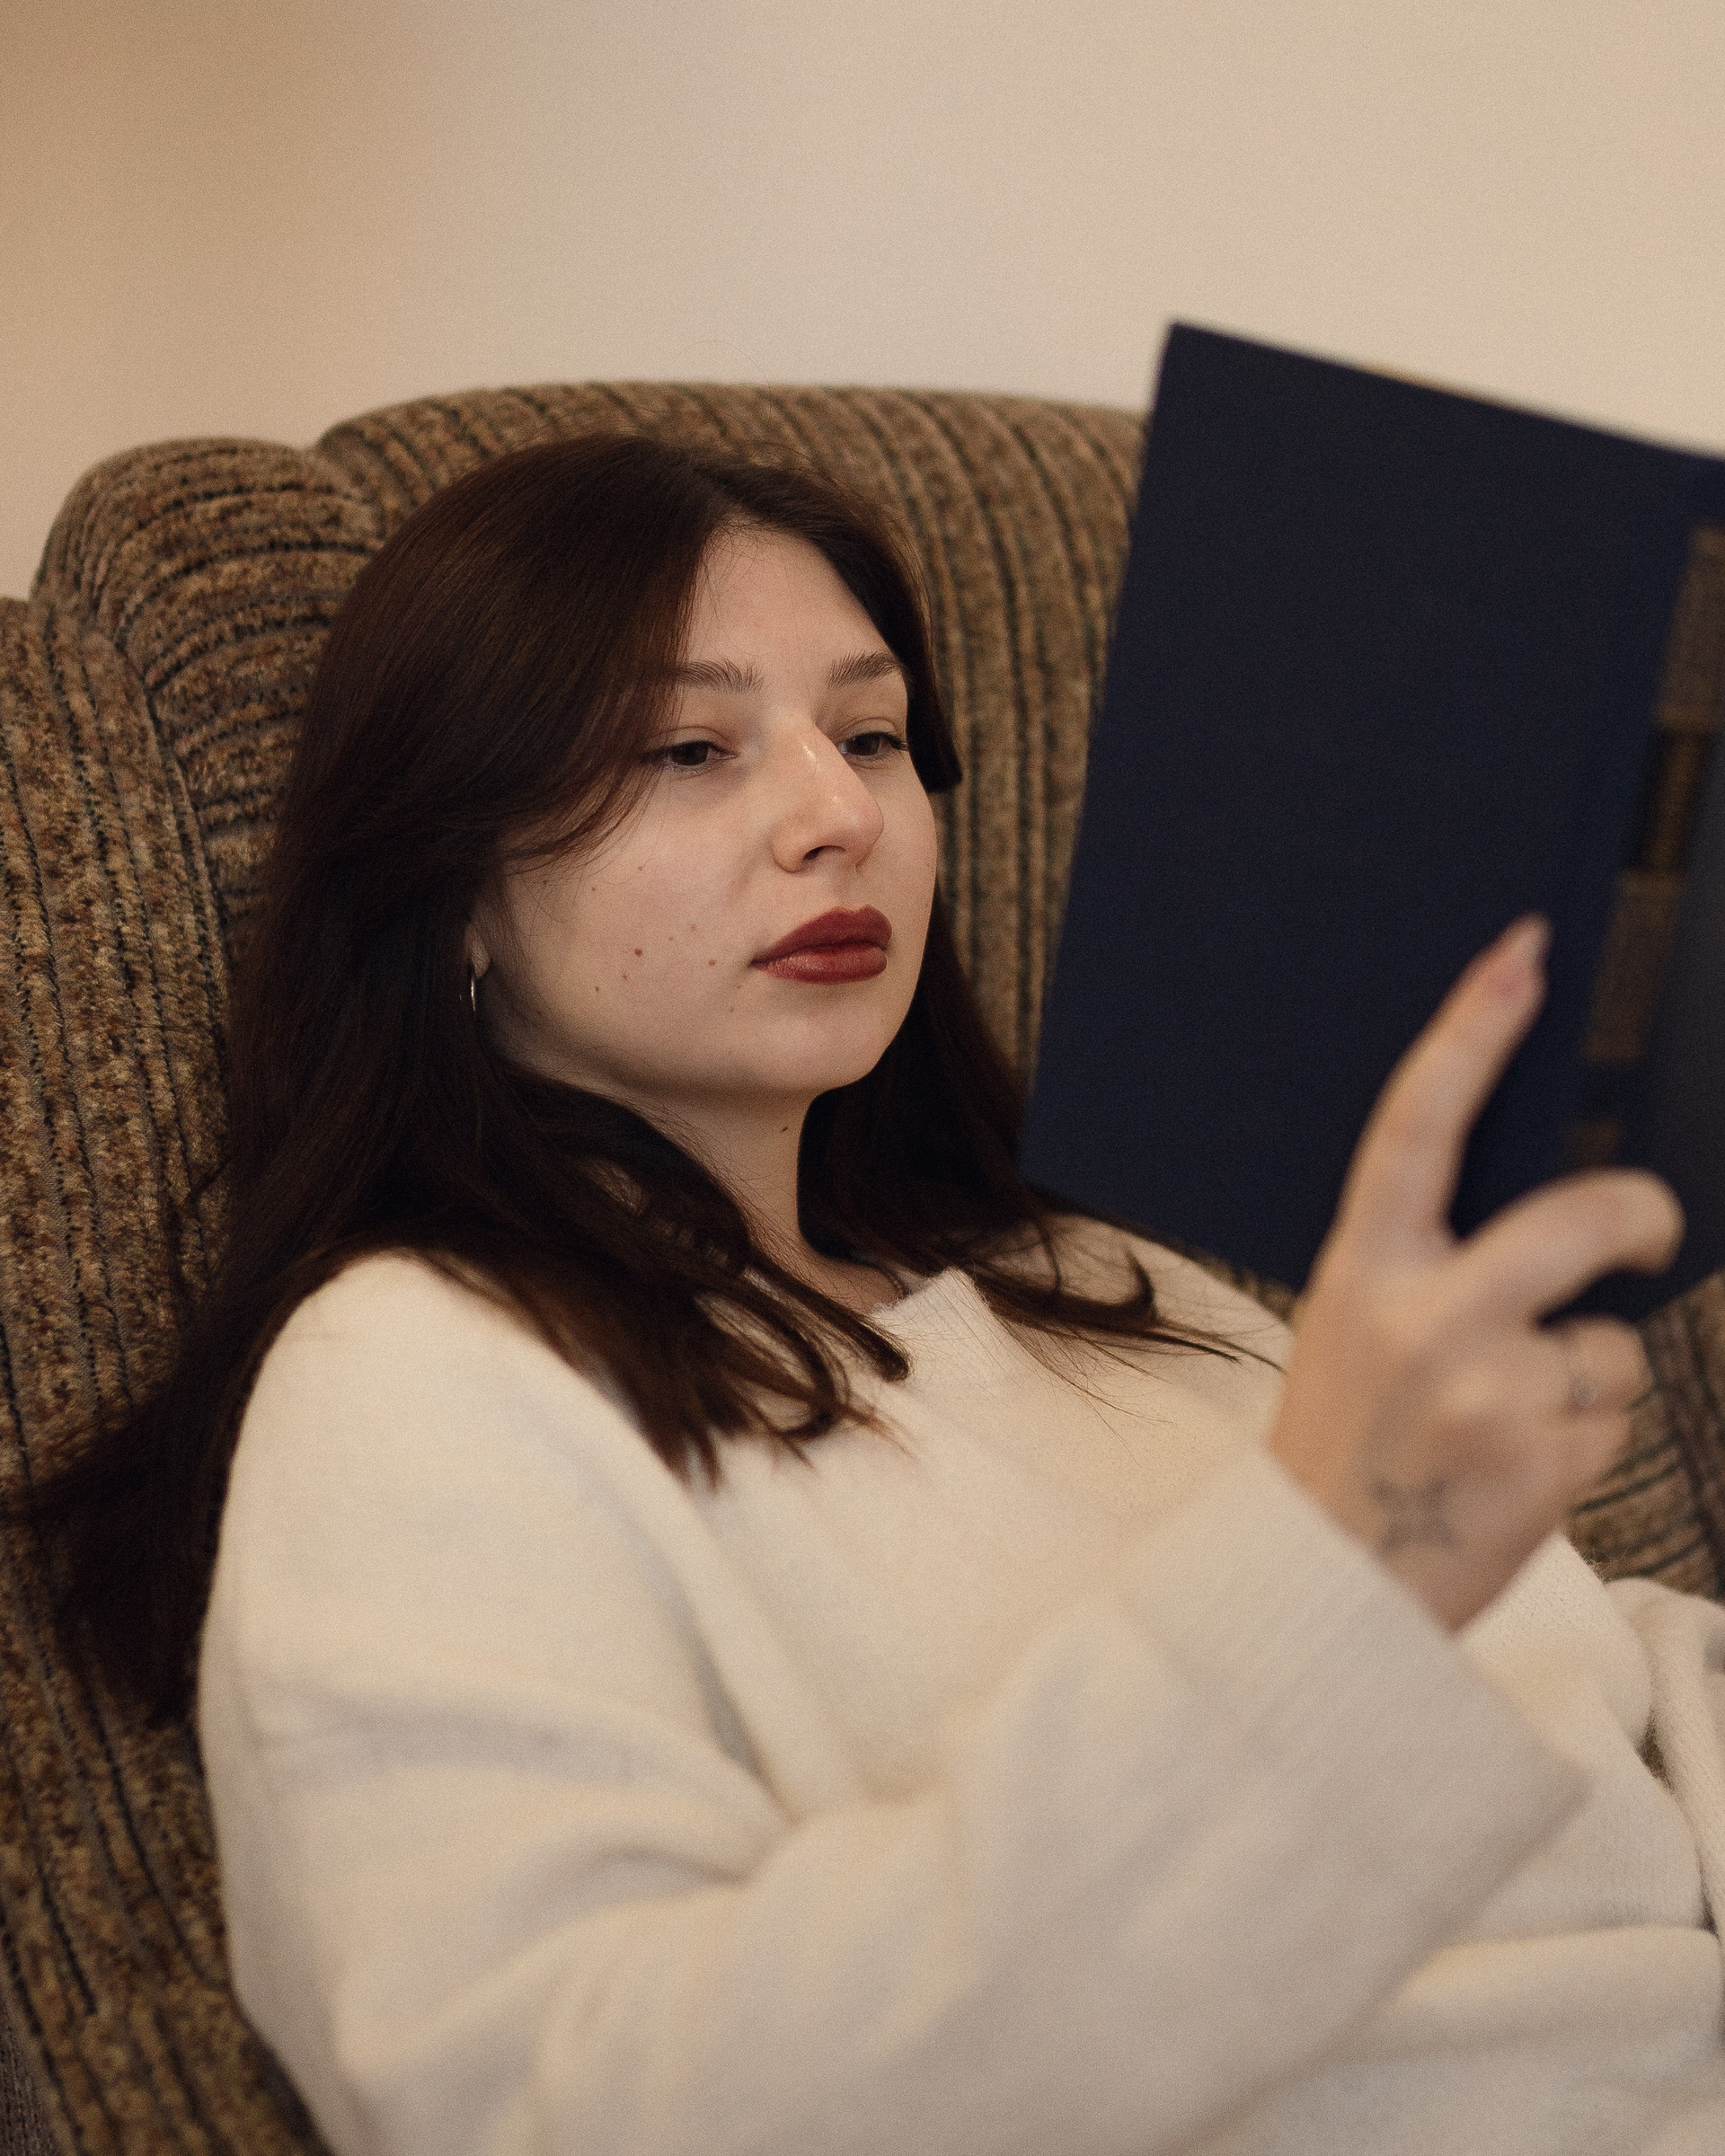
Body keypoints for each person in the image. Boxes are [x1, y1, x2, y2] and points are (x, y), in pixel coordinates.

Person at [62, 436, 1725, 2155]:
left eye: (870, 737)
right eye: (688, 749)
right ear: (454, 891)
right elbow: (571, 2105)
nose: (841, 814)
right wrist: (1341, 1574)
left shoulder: (1085, 1281)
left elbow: (1596, 1684)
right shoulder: (420, 1377)